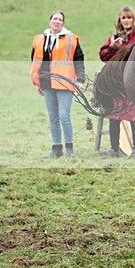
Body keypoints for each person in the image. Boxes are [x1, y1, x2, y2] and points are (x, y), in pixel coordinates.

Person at [31, 10, 86, 158]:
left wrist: (80, 80)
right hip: (47, 82)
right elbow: (36, 62)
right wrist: (37, 82)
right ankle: (56, 149)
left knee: (64, 115)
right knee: (53, 117)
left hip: (65, 81)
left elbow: (79, 60)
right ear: (50, 21)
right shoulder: (39, 39)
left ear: (63, 23)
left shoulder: (71, 39)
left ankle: (69, 148)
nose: (57, 21)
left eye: (60, 19)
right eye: (55, 18)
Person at [99, 6, 135, 158]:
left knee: (134, 117)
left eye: (129, 17)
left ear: (133, 20)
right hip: (115, 82)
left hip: (133, 82)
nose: (126, 20)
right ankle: (114, 149)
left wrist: (124, 50)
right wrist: (113, 48)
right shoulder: (114, 38)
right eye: (123, 18)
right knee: (115, 116)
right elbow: (103, 57)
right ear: (119, 20)